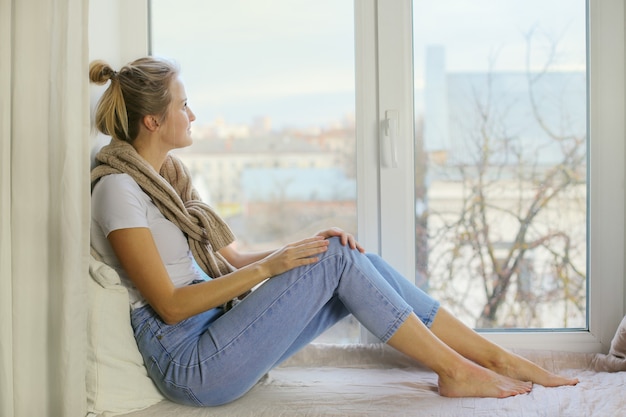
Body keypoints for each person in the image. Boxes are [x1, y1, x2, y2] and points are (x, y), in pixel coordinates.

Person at [89, 56, 578, 407]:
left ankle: (497, 359)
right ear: (153, 120)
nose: (192, 114)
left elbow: (234, 258)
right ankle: (455, 371)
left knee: (342, 252)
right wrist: (273, 267)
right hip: (191, 362)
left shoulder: (170, 181)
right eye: (184, 105)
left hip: (215, 334)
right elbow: (171, 306)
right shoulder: (118, 188)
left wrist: (298, 247)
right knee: (339, 260)